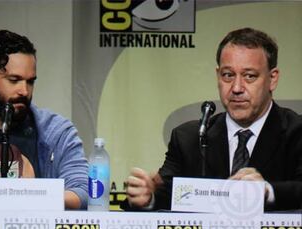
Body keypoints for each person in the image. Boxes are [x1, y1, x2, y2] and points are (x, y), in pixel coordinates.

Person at [124, 27, 302, 211]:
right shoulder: (190, 138)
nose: (237, 87)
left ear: (272, 79)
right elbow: (166, 195)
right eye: (228, 75)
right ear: (218, 76)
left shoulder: (296, 132)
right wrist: (147, 198)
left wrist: (266, 191)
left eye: (249, 76)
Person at [0, 30, 88, 209]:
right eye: (14, 80)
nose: (24, 91)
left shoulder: (57, 131)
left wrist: (28, 194)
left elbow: (83, 191)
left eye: (30, 81)